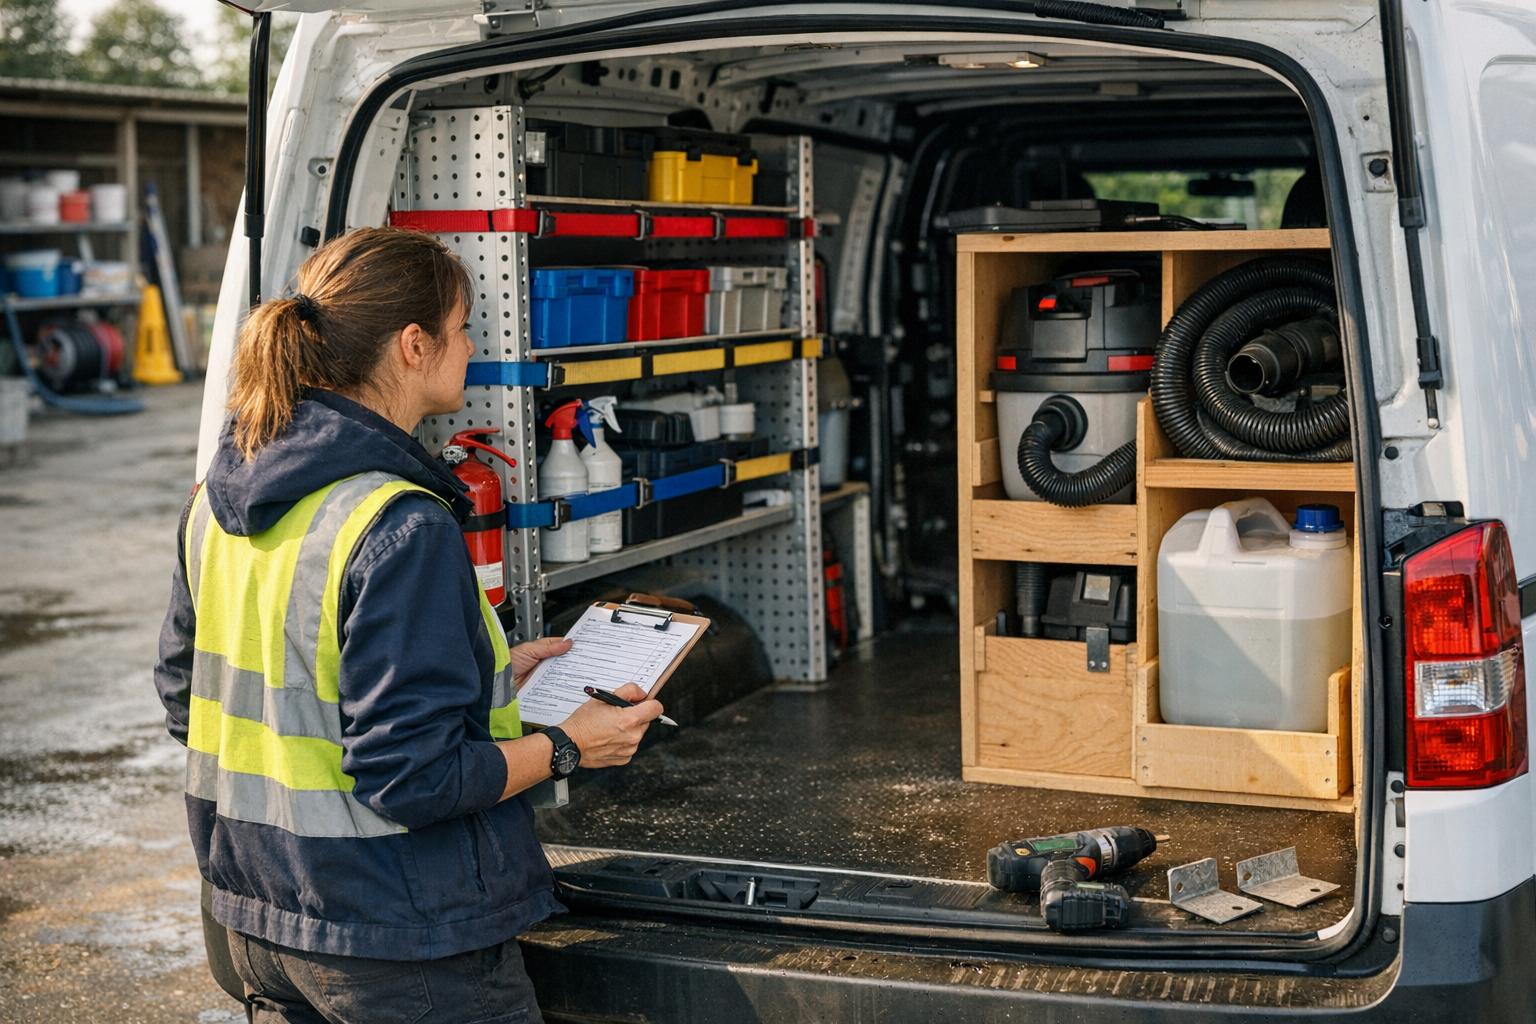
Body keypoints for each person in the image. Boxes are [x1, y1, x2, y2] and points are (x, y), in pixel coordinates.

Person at [153, 227, 662, 1023]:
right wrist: (571, 744)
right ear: (414, 345)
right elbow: (412, 778)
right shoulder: (398, 523)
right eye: (462, 329)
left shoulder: (216, 502)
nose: (470, 346)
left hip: (260, 919)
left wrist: (482, 674)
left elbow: (197, 698)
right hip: (395, 941)